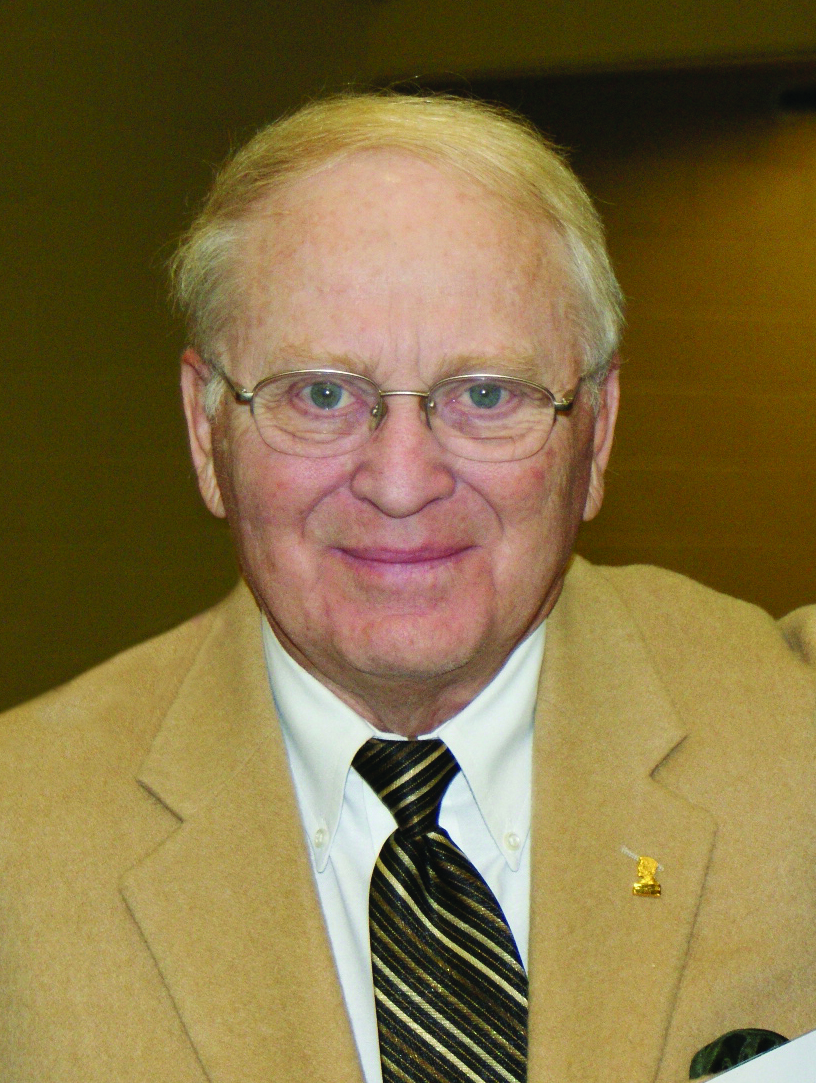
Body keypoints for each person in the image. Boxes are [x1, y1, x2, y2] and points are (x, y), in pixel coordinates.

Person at [1, 92, 815, 1083]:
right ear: (205, 429)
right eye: (321, 394)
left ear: (596, 432)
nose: (400, 481)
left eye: (485, 394)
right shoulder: (21, 841)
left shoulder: (795, 742)